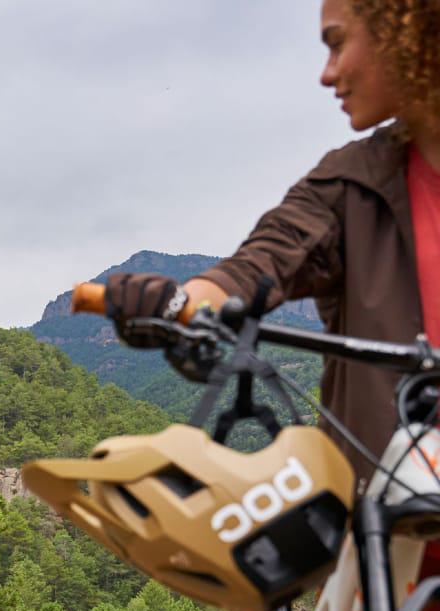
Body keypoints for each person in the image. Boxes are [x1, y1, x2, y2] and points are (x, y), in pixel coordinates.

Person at [104, 0, 440, 492]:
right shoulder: (349, 186)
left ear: (404, 27)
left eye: (337, 43)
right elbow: (261, 263)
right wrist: (180, 304)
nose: (326, 75)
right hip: (383, 545)